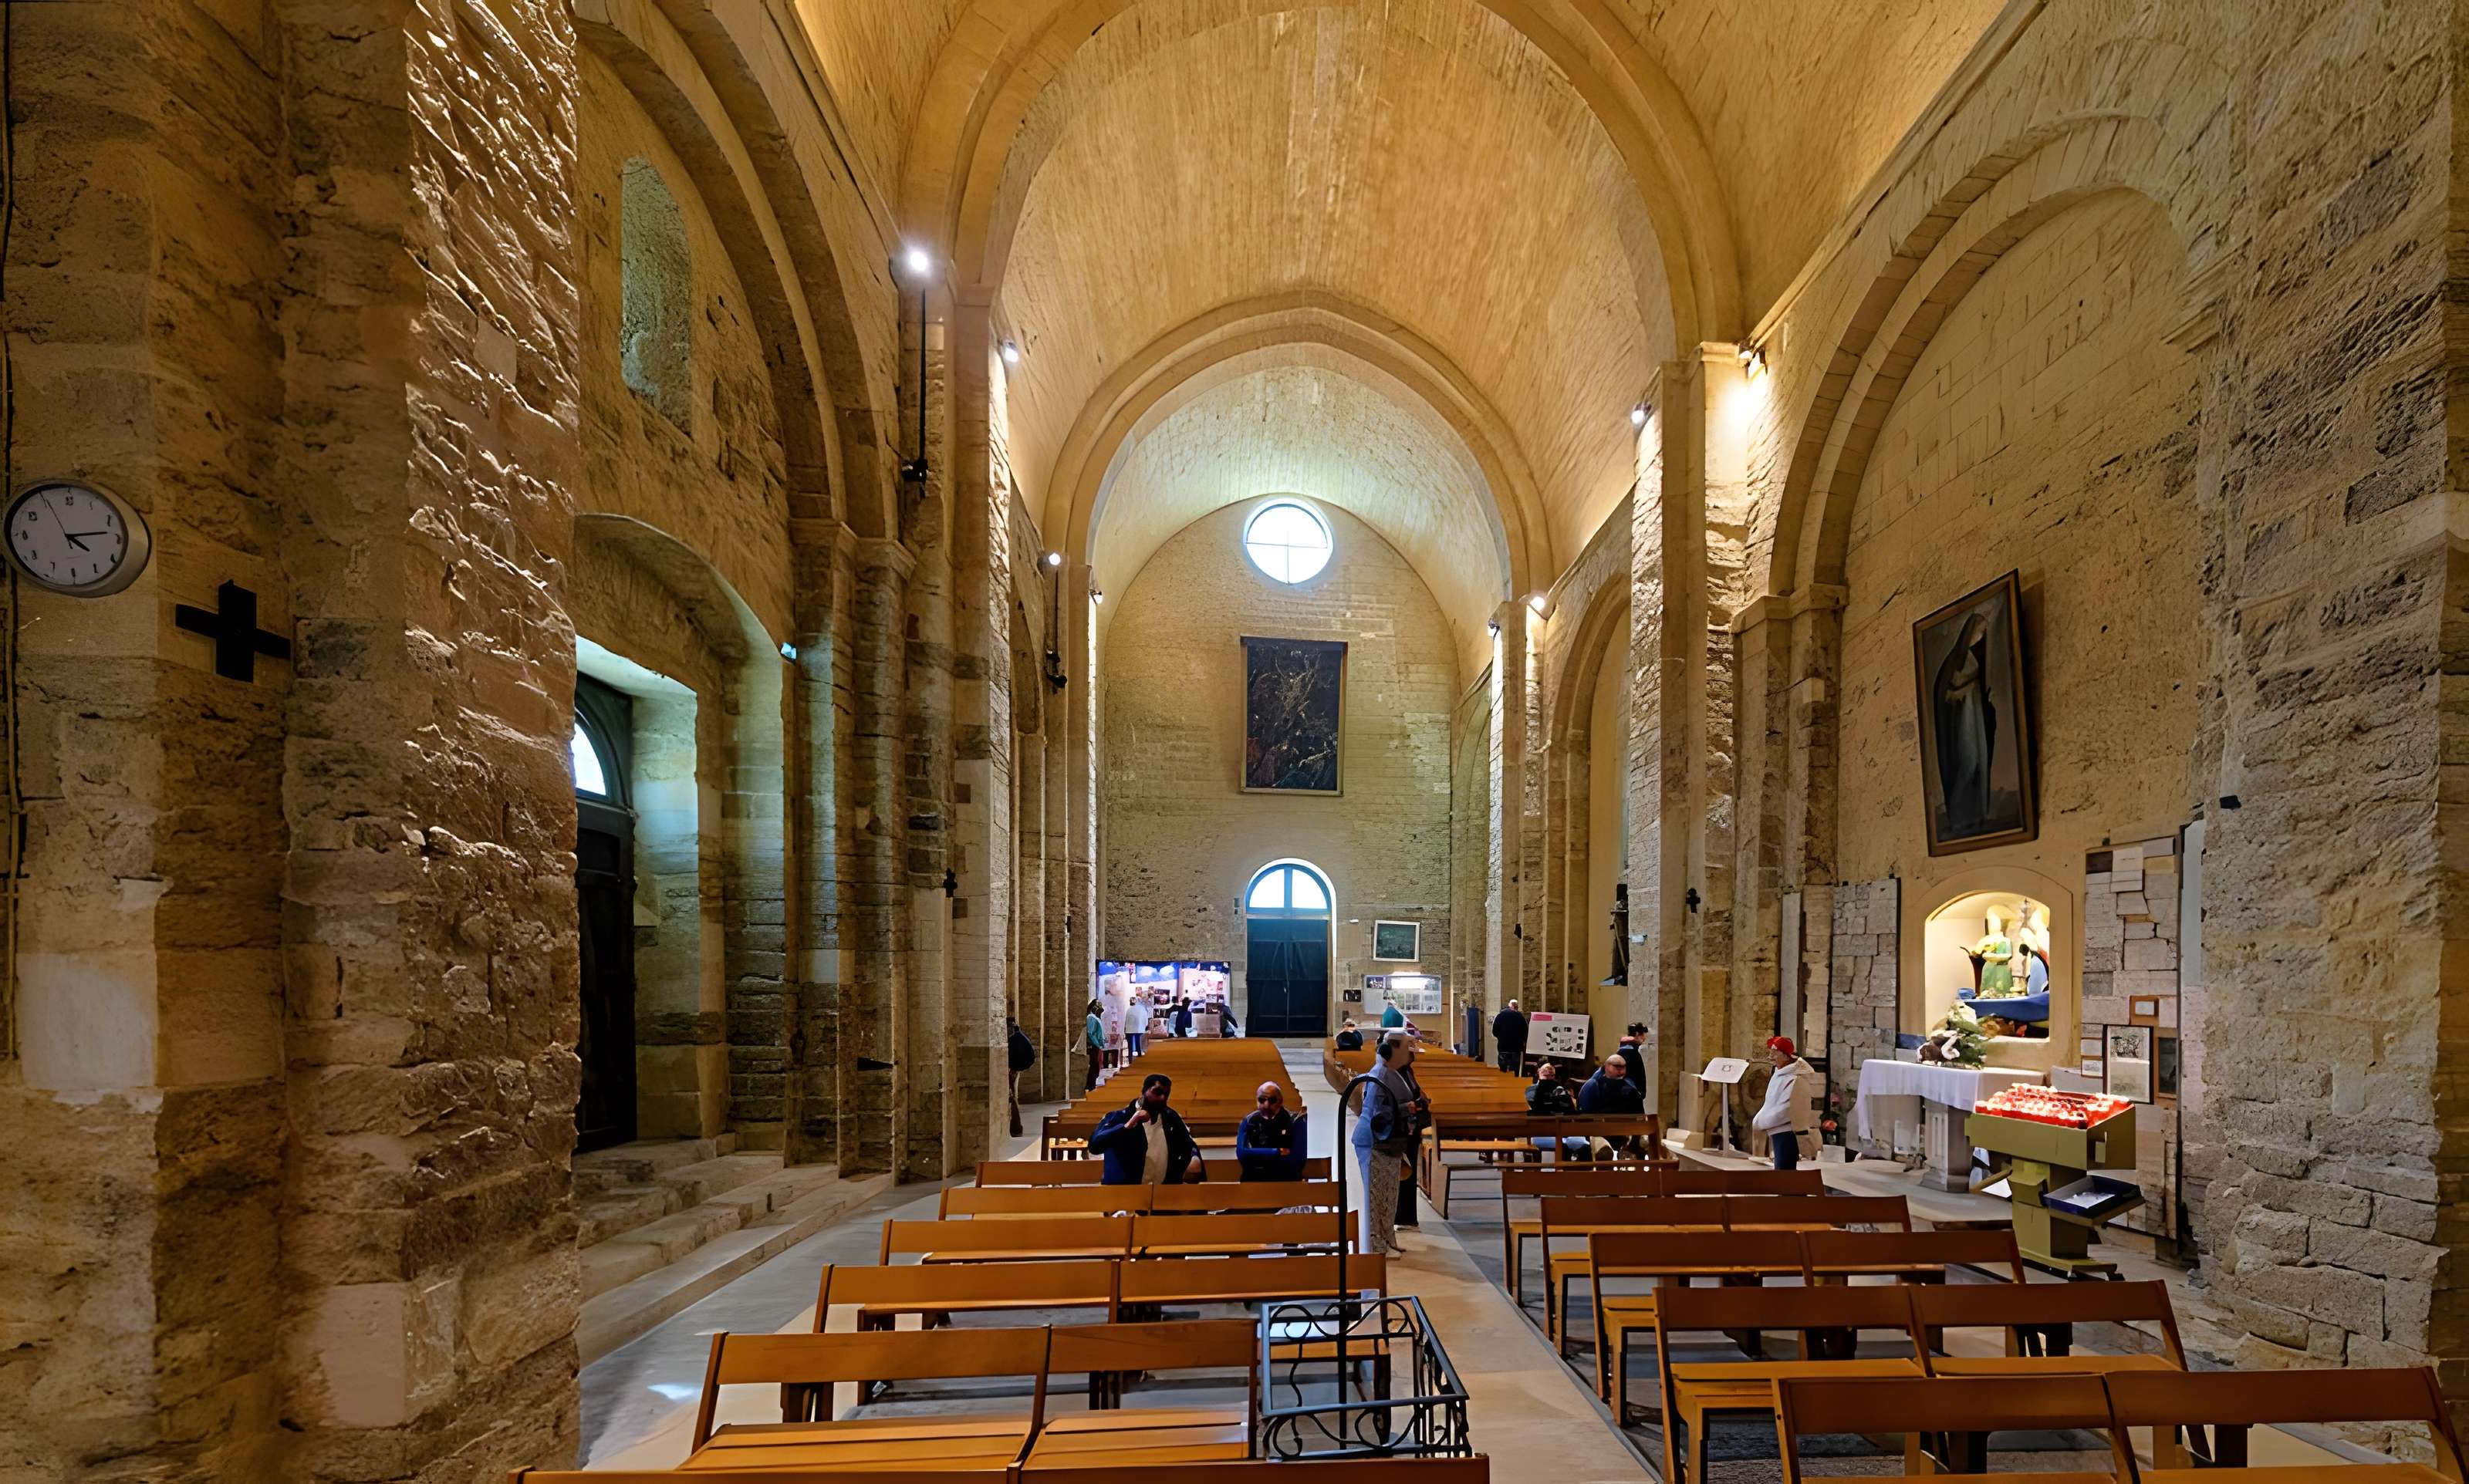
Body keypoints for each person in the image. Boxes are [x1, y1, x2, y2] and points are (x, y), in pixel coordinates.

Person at [1348, 1035, 1418, 1256]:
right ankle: (1376, 1246)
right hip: (1374, 1141)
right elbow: (1378, 1112)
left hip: (1390, 1141)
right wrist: (1406, 1108)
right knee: (1375, 1197)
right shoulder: (1380, 1073)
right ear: (1392, 1050)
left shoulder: (1393, 1072)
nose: (1410, 1052)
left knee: (1389, 1194)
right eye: (1406, 1047)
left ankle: (1388, 1238)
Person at [1089, 1073, 1206, 1185]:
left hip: (1163, 1192)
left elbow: (1188, 1144)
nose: (1162, 1098)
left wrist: (1194, 1157)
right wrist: (1127, 1126)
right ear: (1144, 1091)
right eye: (1157, 1092)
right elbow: (1095, 1145)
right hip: (1124, 1192)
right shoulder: (1119, 1117)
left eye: (1166, 1094)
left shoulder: (1171, 1118)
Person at [1754, 1035, 1820, 1171]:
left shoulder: (1796, 1078)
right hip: (1775, 1129)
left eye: (1775, 1052)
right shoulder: (1779, 1073)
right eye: (1770, 1051)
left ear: (1785, 1055)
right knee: (1779, 1171)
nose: (1770, 1056)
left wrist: (1762, 1121)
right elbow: (1771, 1102)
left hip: (1787, 1133)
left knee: (1785, 1172)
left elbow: (1789, 1109)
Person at [1579, 1051, 1648, 1159]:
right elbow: (1586, 1113)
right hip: (1600, 1131)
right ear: (1606, 1067)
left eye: (1623, 1067)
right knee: (1603, 1153)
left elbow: (1640, 1113)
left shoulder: (1631, 1087)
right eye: (1617, 1067)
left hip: (1626, 1132)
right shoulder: (1593, 1085)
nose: (1621, 1071)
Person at [1234, 1081, 1309, 1182]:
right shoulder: (1249, 1121)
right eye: (1262, 1100)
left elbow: (1296, 1161)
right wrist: (1277, 1152)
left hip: (1287, 1180)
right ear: (1257, 1100)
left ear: (1280, 1101)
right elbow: (1242, 1154)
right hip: (1254, 1179)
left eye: (1272, 1100)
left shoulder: (1295, 1121)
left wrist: (1257, 1156)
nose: (1266, 1105)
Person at [1525, 1059, 1585, 1159]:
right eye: (1546, 1073)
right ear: (1538, 1073)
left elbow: (1570, 1112)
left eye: (1551, 1074)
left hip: (1561, 1130)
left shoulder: (1560, 1089)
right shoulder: (1530, 1090)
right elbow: (1531, 1111)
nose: (1549, 1076)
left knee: (1578, 1142)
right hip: (1540, 1131)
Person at [1006, 1014, 1035, 1138]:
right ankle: (1016, 1128)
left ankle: (1016, 1128)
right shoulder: (1020, 1036)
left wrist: (1012, 1068)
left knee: (1011, 1098)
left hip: (1012, 1069)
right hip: (1015, 1068)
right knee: (1012, 1097)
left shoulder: (1014, 1038)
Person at [1492, 998, 1528, 1074]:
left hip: (1503, 1046)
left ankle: (1504, 1078)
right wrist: (1523, 1041)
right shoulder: (1520, 1017)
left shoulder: (1500, 1016)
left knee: (1503, 1069)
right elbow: (1525, 1031)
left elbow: (1495, 1031)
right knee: (1516, 1069)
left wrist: (1501, 1038)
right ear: (1517, 1006)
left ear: (1509, 1005)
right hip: (1516, 1047)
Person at [1083, 999, 1105, 1091]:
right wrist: (1098, 1044)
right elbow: (1090, 1033)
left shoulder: (1095, 1017)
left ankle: (1091, 1085)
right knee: (1094, 1066)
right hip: (1093, 1046)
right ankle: (1091, 1086)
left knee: (1095, 1066)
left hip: (1096, 1045)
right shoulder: (1091, 1018)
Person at [1125, 993, 1150, 1057]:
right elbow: (1145, 1018)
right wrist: (1146, 1025)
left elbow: (1126, 1019)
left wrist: (1125, 1028)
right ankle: (1139, 1053)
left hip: (1130, 1029)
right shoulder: (1142, 1008)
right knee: (1138, 1040)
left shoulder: (1129, 1009)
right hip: (1139, 1028)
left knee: (1130, 1044)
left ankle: (1130, 1055)